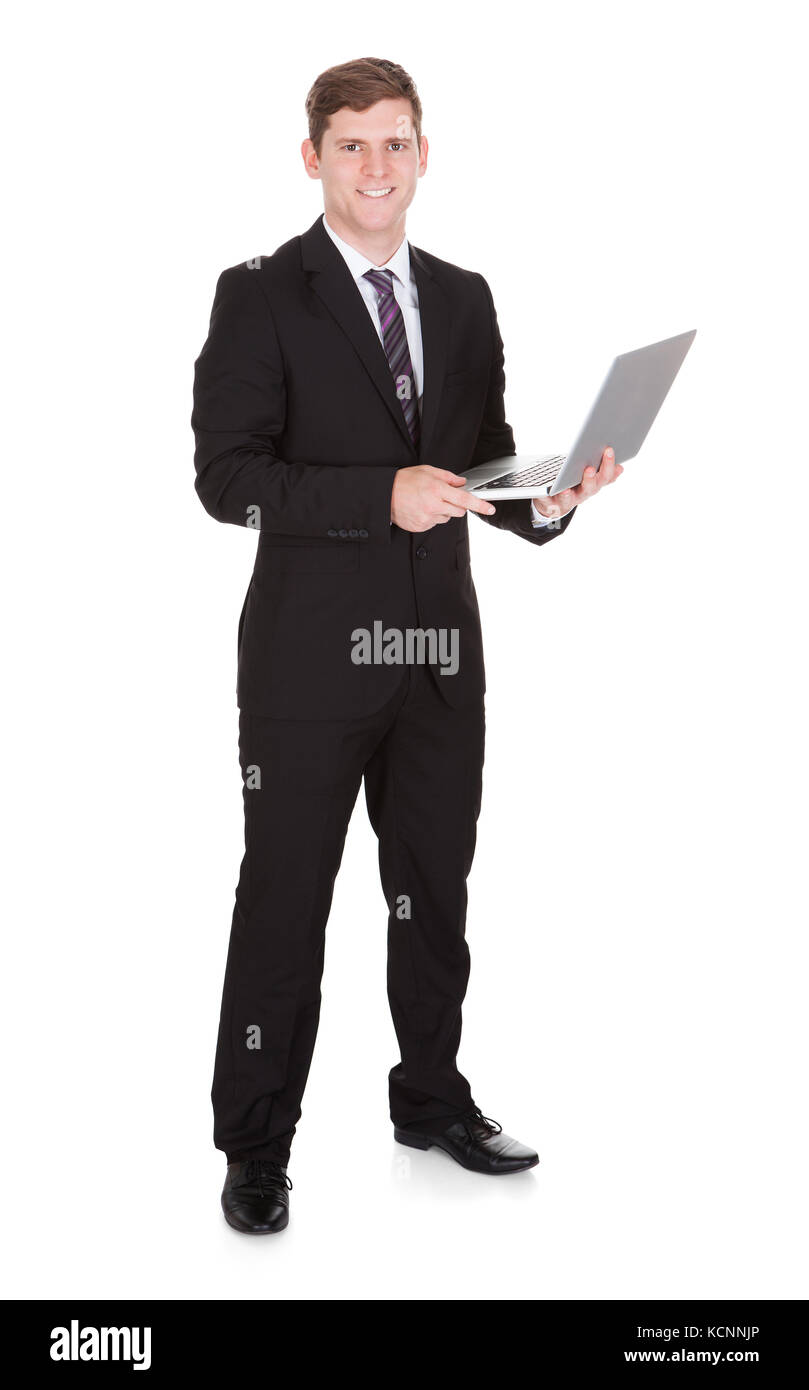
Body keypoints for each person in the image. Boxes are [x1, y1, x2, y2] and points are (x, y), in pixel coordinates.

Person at [191, 56, 622, 1235]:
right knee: (283, 901)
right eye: (351, 145)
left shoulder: (465, 295)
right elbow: (224, 479)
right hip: (306, 671)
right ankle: (256, 1142)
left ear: (423, 152)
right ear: (312, 157)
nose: (376, 167)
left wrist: (558, 494)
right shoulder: (262, 295)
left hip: (436, 658)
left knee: (430, 895)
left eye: (396, 143)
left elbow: (479, 465)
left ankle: (429, 1099)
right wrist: (375, 495)